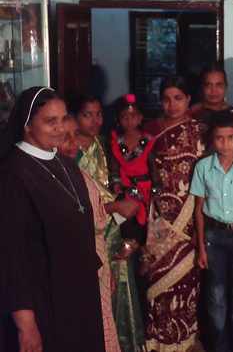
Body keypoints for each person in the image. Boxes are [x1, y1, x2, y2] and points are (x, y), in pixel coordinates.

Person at [0, 87, 105, 352]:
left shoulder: (65, 164)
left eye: (63, 118)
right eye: (50, 121)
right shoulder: (13, 174)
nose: (60, 128)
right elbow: (12, 256)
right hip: (44, 300)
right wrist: (25, 324)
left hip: (79, 294)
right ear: (27, 125)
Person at [71, 94, 146, 352]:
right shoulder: (68, 152)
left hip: (115, 230)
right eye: (87, 115)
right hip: (86, 236)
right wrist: (114, 207)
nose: (95, 121)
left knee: (122, 288)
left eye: (99, 114)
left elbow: (119, 186)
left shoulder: (105, 145)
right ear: (74, 118)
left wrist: (130, 229)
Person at [143, 76, 205, 352]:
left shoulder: (200, 131)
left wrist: (193, 217)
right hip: (158, 217)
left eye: (178, 98)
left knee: (185, 282)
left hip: (190, 216)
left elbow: (205, 175)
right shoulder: (150, 132)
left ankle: (182, 340)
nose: (172, 105)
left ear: (188, 99)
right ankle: (158, 340)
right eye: (166, 99)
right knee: (158, 279)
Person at [59, 114, 124, 352]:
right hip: (74, 269)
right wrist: (115, 208)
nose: (72, 143)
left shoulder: (79, 174)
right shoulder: (51, 178)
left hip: (96, 260)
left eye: (74, 135)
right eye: (64, 137)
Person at [190, 111, 233, 352]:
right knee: (216, 298)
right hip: (214, 237)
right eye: (219, 138)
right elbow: (198, 210)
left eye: (231, 137)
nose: (225, 144)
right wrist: (201, 247)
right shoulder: (203, 167)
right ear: (212, 140)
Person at [109, 93, 155, 258]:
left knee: (146, 220)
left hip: (145, 187)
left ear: (140, 118)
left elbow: (152, 165)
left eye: (133, 116)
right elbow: (114, 165)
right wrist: (115, 181)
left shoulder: (147, 140)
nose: (129, 121)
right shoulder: (116, 141)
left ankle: (143, 250)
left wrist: (157, 184)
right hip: (126, 186)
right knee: (124, 215)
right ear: (118, 119)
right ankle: (129, 242)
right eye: (125, 117)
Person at [191, 63, 232, 137]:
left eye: (219, 85)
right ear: (202, 87)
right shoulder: (191, 115)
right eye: (208, 85)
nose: (213, 90)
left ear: (226, 86)